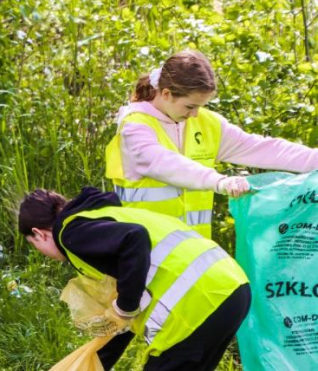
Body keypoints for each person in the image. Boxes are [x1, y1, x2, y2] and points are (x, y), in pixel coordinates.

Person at [19, 186, 251, 371]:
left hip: (199, 306)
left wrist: (125, 306)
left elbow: (135, 239)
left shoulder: (69, 232)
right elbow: (128, 315)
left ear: (39, 234)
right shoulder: (105, 216)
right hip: (232, 290)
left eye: (34, 245)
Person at [106, 49, 318, 238]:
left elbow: (262, 148)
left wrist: (314, 159)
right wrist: (219, 181)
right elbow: (164, 163)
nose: (195, 114)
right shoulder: (134, 127)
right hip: (144, 255)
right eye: (190, 106)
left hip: (194, 254)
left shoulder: (206, 123)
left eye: (200, 106)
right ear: (166, 94)